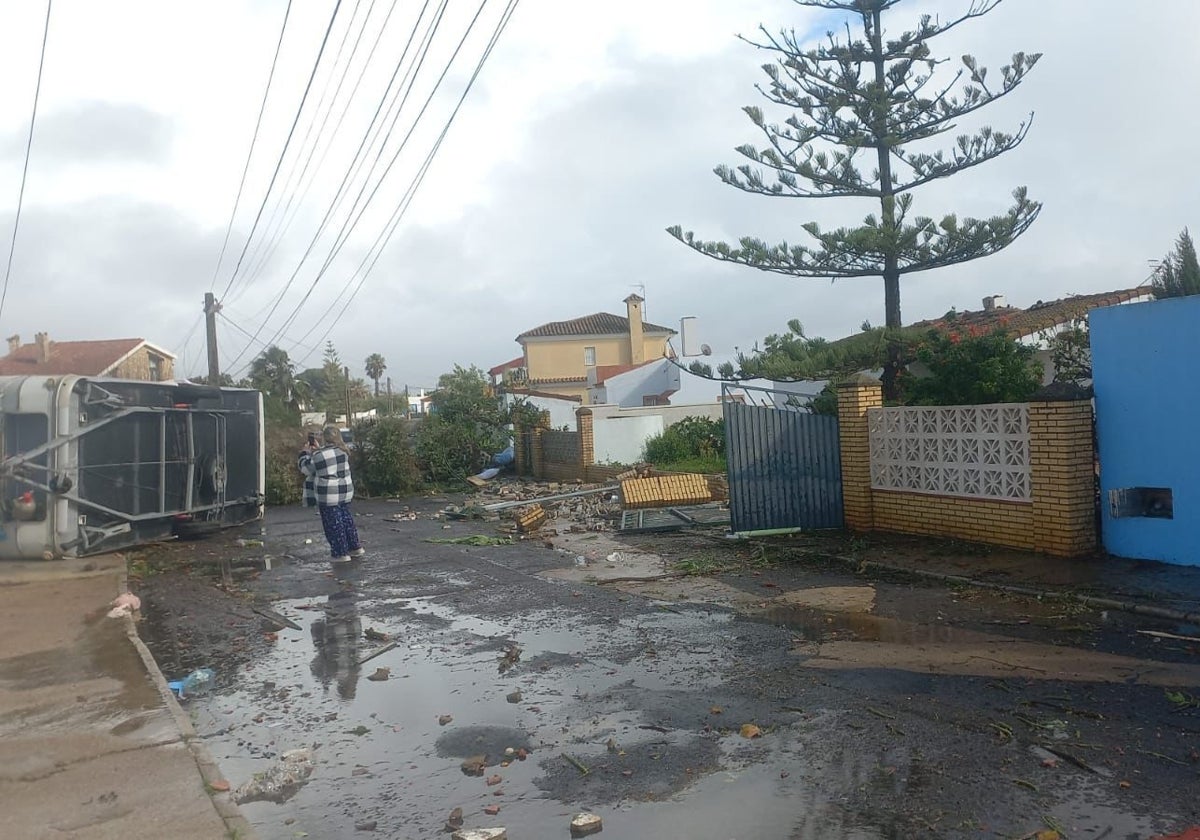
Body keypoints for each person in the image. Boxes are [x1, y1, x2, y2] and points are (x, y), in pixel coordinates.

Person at [298, 425, 364, 563]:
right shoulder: (343, 451)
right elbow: (328, 462)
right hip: (345, 491)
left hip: (329, 494)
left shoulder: (319, 455)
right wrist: (317, 450)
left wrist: (304, 453)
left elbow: (306, 468)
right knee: (346, 519)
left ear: (324, 438)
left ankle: (340, 553)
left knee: (333, 523)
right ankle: (355, 547)